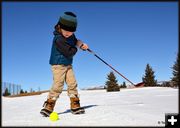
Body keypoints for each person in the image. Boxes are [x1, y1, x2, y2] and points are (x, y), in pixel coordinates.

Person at [40, 11, 88, 116]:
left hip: (68, 64)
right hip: (58, 65)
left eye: (71, 31)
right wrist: (77, 48)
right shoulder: (59, 39)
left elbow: (75, 40)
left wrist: (81, 44)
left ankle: (75, 104)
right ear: (60, 27)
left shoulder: (71, 35)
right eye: (65, 30)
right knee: (58, 85)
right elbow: (69, 52)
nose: (67, 33)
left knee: (72, 83)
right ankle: (49, 104)